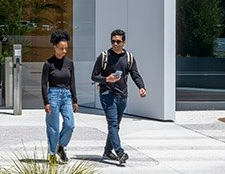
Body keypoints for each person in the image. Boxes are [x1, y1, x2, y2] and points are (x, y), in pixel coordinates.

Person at [91, 29, 147, 165]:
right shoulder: (104, 56)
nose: (115, 44)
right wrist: (106, 79)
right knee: (113, 124)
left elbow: (135, 74)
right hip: (107, 94)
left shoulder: (129, 58)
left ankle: (107, 151)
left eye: (118, 41)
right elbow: (94, 76)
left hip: (122, 95)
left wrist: (141, 87)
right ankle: (120, 152)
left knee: (116, 125)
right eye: (113, 41)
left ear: (124, 42)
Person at [41, 29, 78, 163]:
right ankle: (52, 153)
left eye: (66, 48)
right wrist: (46, 102)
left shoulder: (69, 63)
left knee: (70, 124)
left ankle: (60, 146)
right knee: (53, 127)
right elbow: (44, 84)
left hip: (67, 95)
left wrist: (75, 100)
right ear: (55, 47)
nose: (64, 51)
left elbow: (72, 82)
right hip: (53, 96)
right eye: (61, 48)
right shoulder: (48, 64)